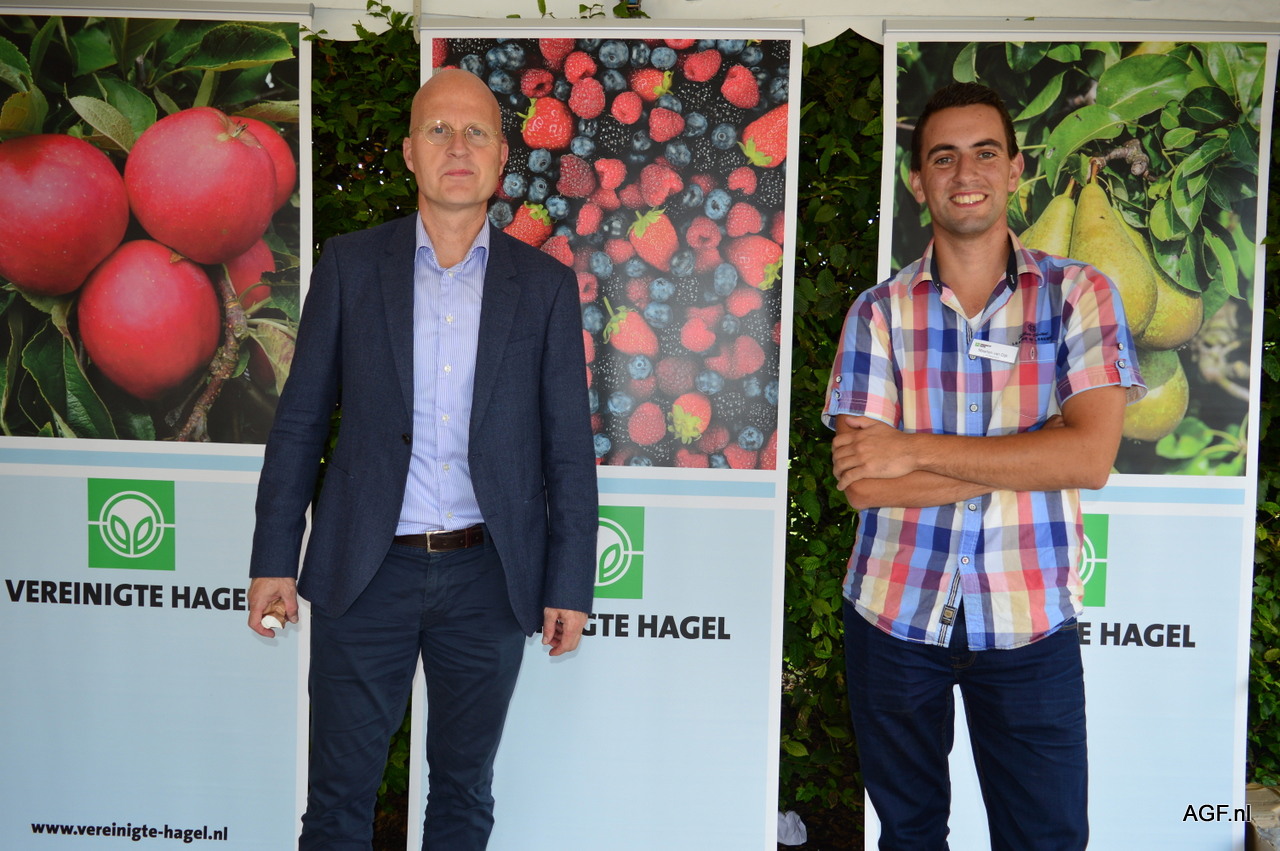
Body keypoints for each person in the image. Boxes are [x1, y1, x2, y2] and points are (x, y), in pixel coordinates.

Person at [245, 68, 598, 849]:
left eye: (476, 132)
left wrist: (570, 581)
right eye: (439, 130)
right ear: (409, 152)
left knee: (464, 795)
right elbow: (301, 420)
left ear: (502, 156)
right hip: (364, 572)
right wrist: (273, 555)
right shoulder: (350, 265)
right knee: (338, 801)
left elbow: (569, 450)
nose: (457, 147)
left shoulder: (543, 287)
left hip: (488, 577)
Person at [824, 82, 1145, 850]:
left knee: (1046, 838)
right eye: (943, 157)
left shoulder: (1081, 295)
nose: (965, 172)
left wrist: (912, 448)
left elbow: (1088, 458)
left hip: (1028, 621)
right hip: (892, 615)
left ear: (1016, 170)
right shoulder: (877, 312)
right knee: (909, 836)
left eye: (985, 153)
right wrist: (1035, 450)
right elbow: (865, 483)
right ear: (918, 182)